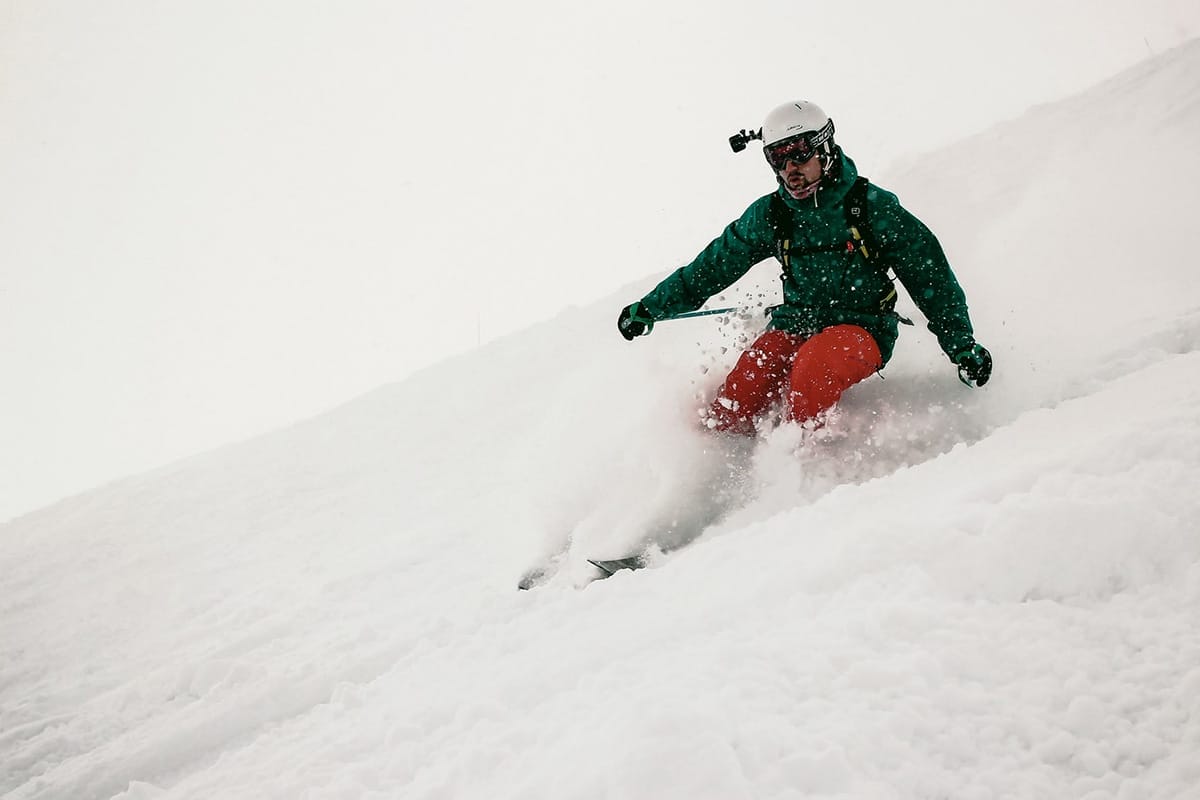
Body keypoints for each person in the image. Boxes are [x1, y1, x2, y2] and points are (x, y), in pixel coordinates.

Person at [618, 100, 992, 435]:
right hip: (795, 321)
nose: (789, 169)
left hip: (863, 327)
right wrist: (653, 306)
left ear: (824, 148)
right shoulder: (773, 215)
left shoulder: (870, 206)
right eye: (776, 159)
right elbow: (712, 267)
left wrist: (960, 344)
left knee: (814, 367)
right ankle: (727, 471)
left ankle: (806, 472)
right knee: (744, 389)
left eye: (798, 154)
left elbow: (929, 276)